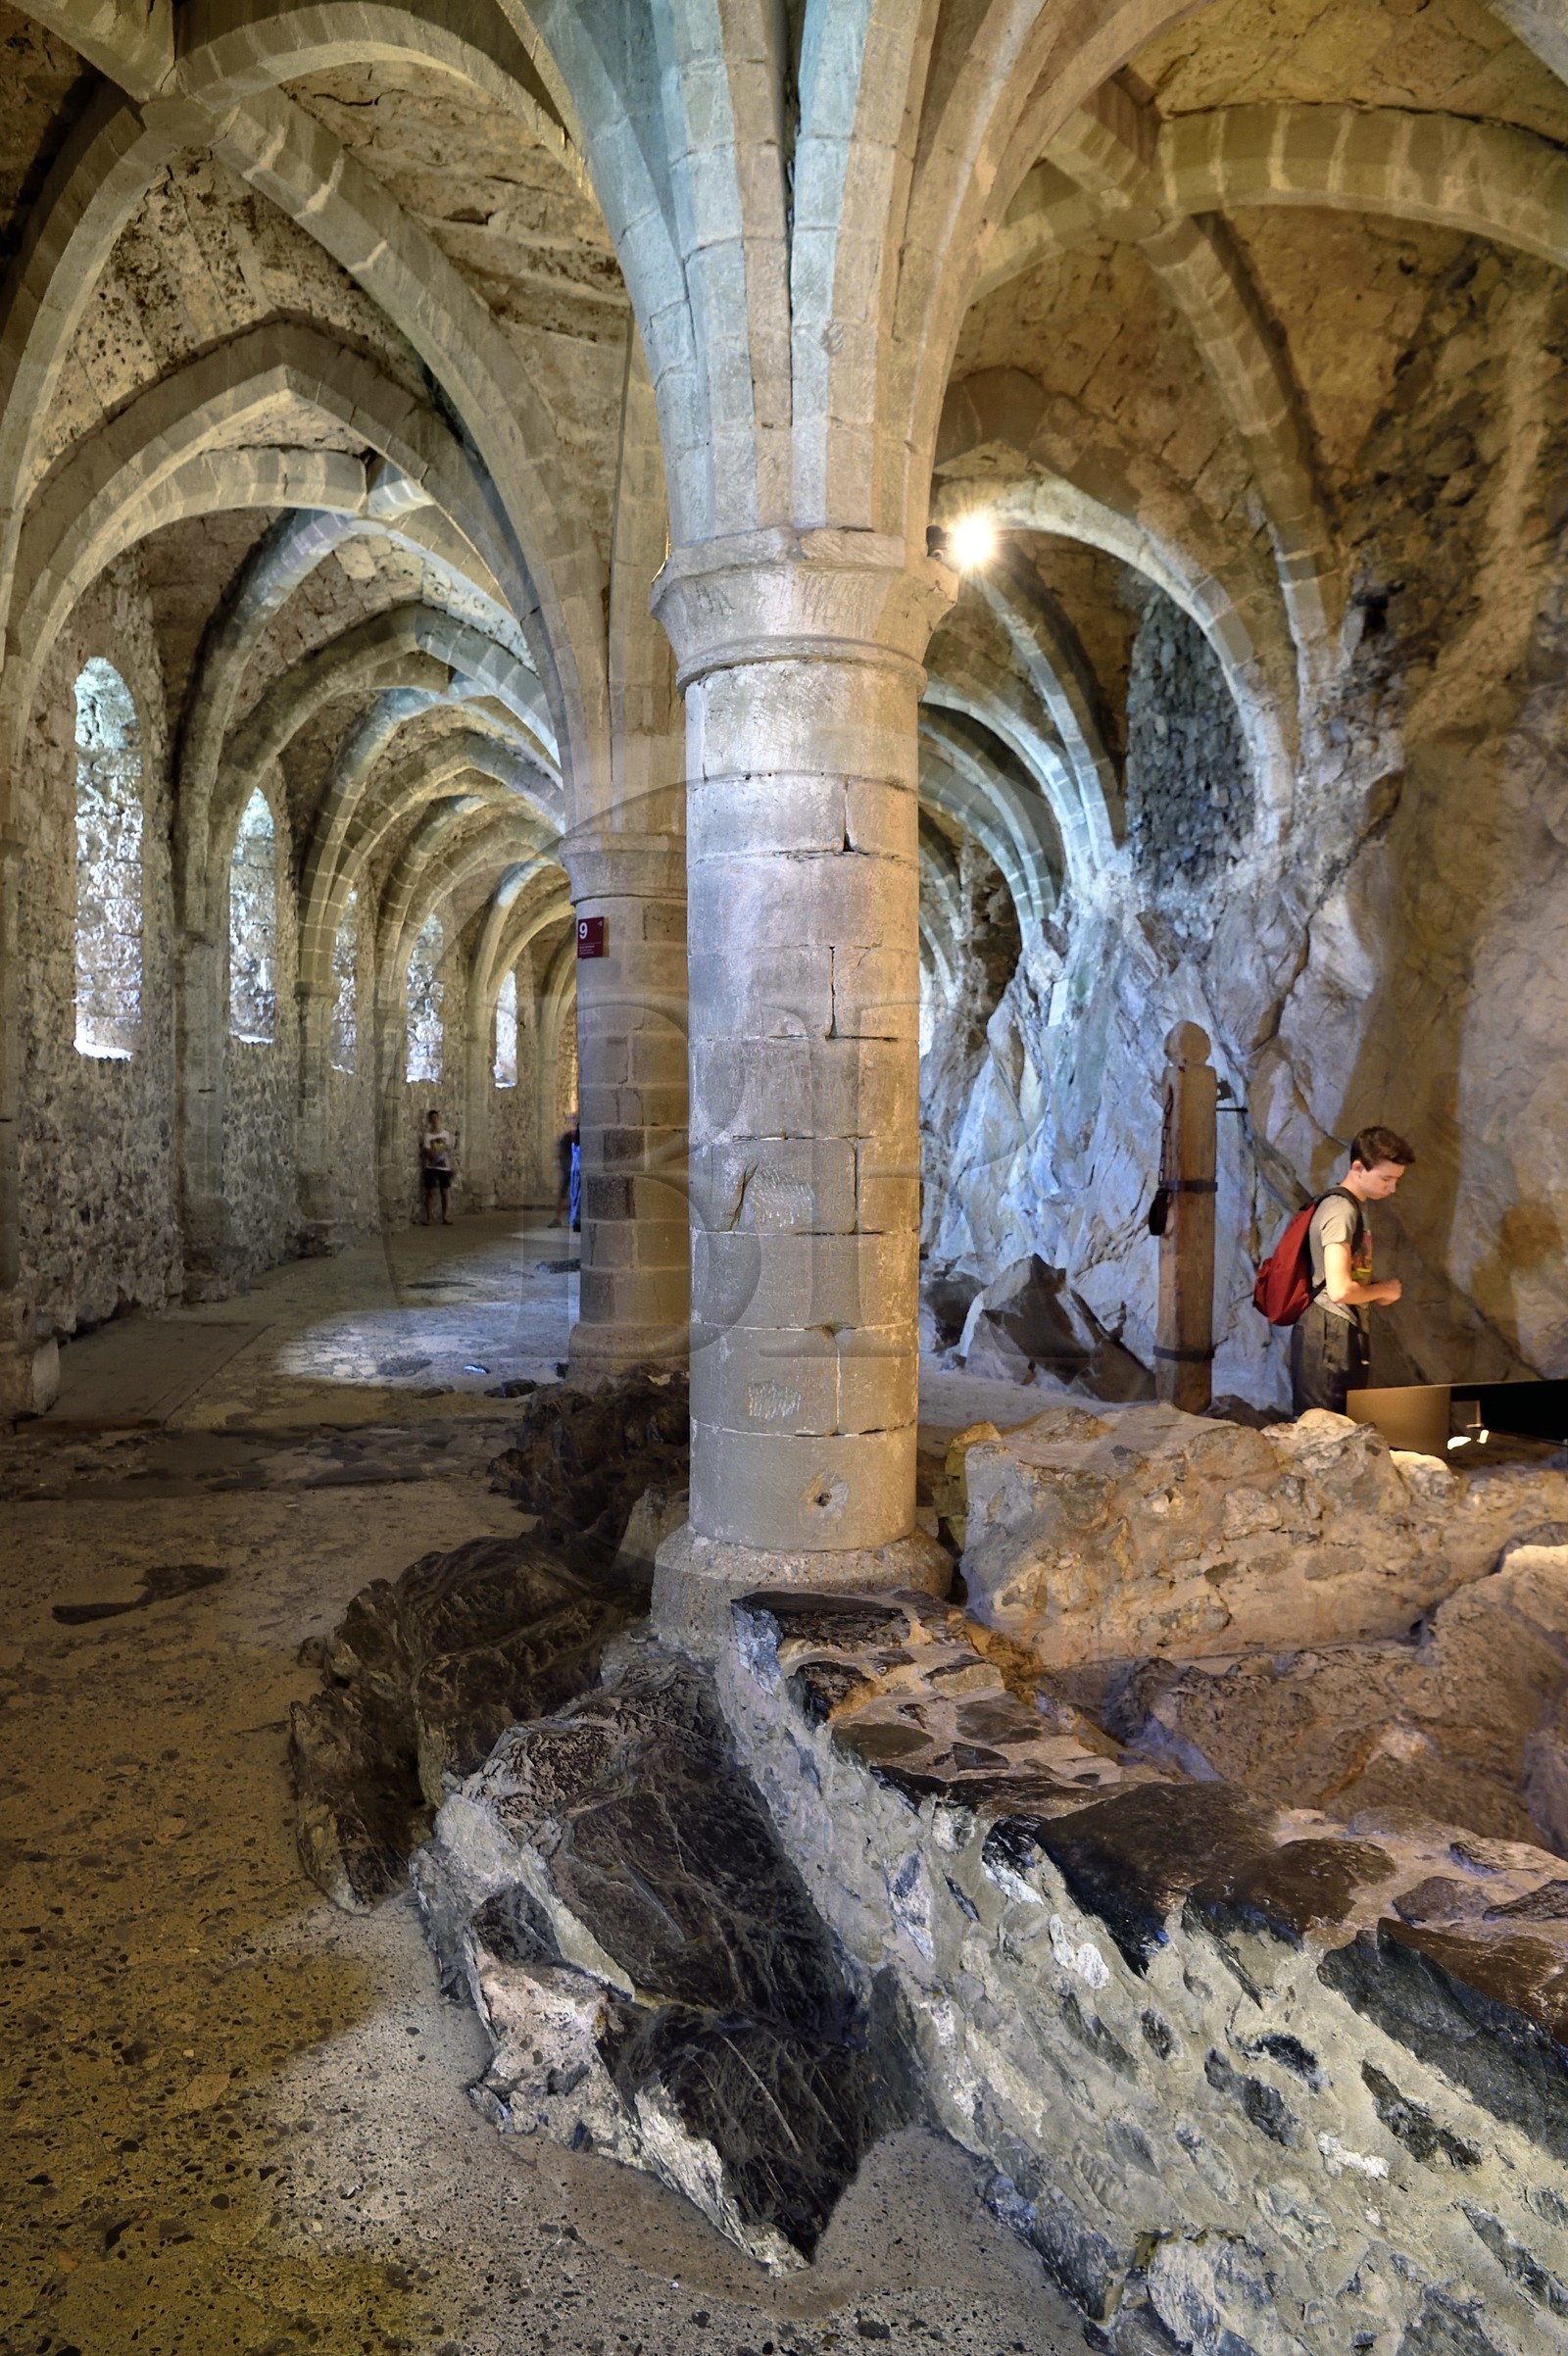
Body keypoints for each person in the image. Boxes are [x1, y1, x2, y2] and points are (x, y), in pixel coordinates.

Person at [1291, 1123, 1414, 1417]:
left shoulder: (1354, 1207)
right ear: (1358, 1167)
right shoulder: (1341, 1210)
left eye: (1396, 1180)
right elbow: (1340, 1289)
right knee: (1326, 1426)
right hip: (1329, 1334)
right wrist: (1383, 1290)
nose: (1392, 1188)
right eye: (1385, 1178)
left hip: (1335, 1330)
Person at [420, 1108, 456, 1226]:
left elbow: (449, 1151)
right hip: (431, 1166)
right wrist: (438, 1149)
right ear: (430, 1121)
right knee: (430, 1192)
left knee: (445, 1191)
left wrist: (452, 1165)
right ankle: (429, 1217)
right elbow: (427, 1152)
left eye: (437, 1118)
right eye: (433, 1119)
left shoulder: (446, 1134)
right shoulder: (427, 1136)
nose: (435, 1121)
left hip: (444, 1167)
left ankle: (445, 1216)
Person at [550, 1115, 578, 1228]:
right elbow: (561, 1152)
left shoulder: (576, 1137)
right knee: (562, 1195)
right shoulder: (566, 1138)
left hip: (574, 1170)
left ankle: (575, 1218)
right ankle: (558, 1218)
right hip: (568, 1169)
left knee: (575, 1195)